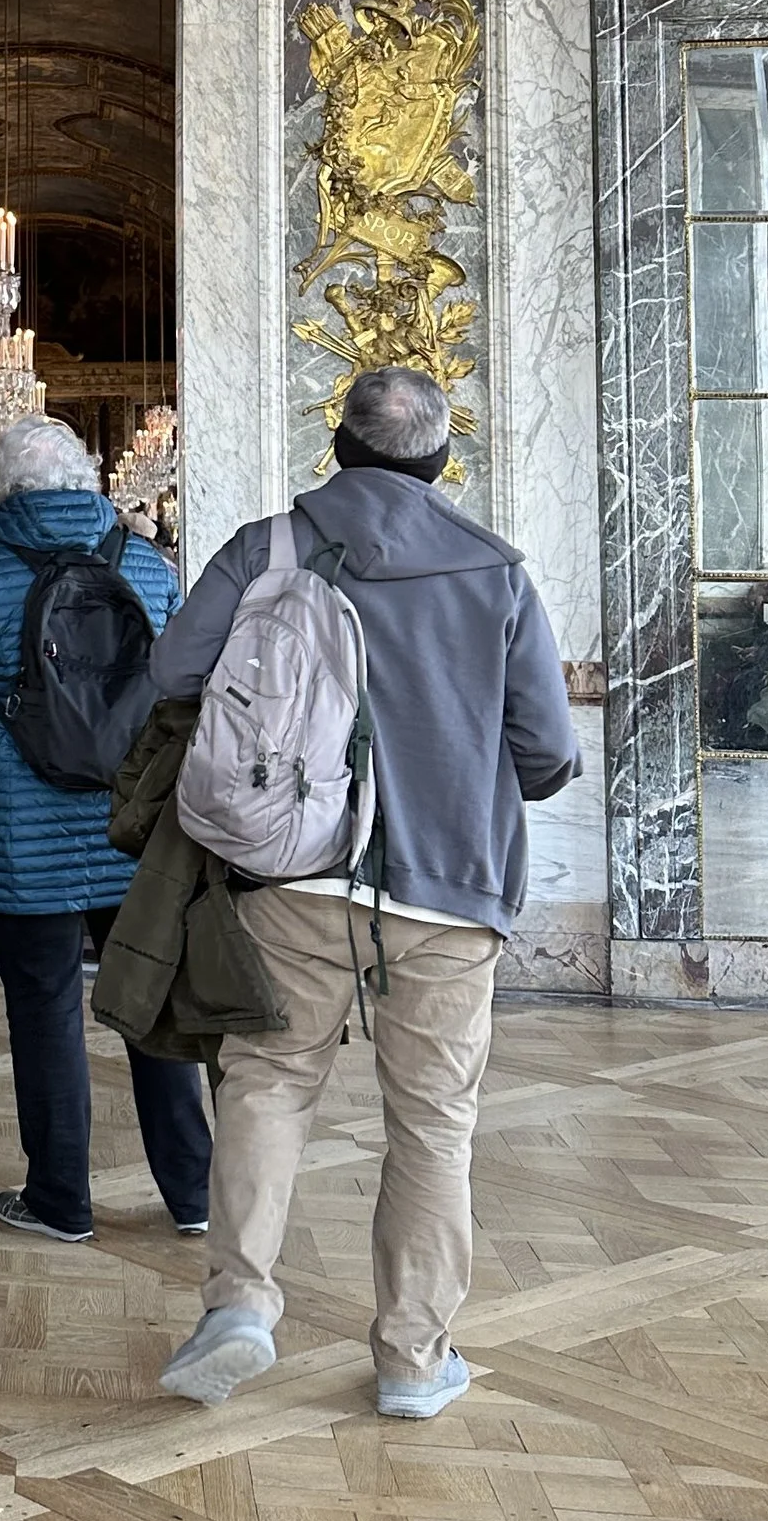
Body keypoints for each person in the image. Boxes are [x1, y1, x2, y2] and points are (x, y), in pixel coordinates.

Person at [145, 365, 578, 1420]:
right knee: (432, 1123)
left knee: (266, 1083)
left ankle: (239, 1305)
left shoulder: (269, 545)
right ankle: (412, 1362)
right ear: (438, 462)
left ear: (336, 449)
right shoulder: (496, 572)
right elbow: (548, 753)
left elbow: (170, 678)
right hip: (447, 886)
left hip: (292, 869)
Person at [0, 415, 211, 1242]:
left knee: (42, 1011)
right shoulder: (148, 566)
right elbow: (185, 699)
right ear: (90, 482)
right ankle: (194, 1194)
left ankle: (60, 1200)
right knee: (152, 1005)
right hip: (132, 829)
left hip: (19, 836)